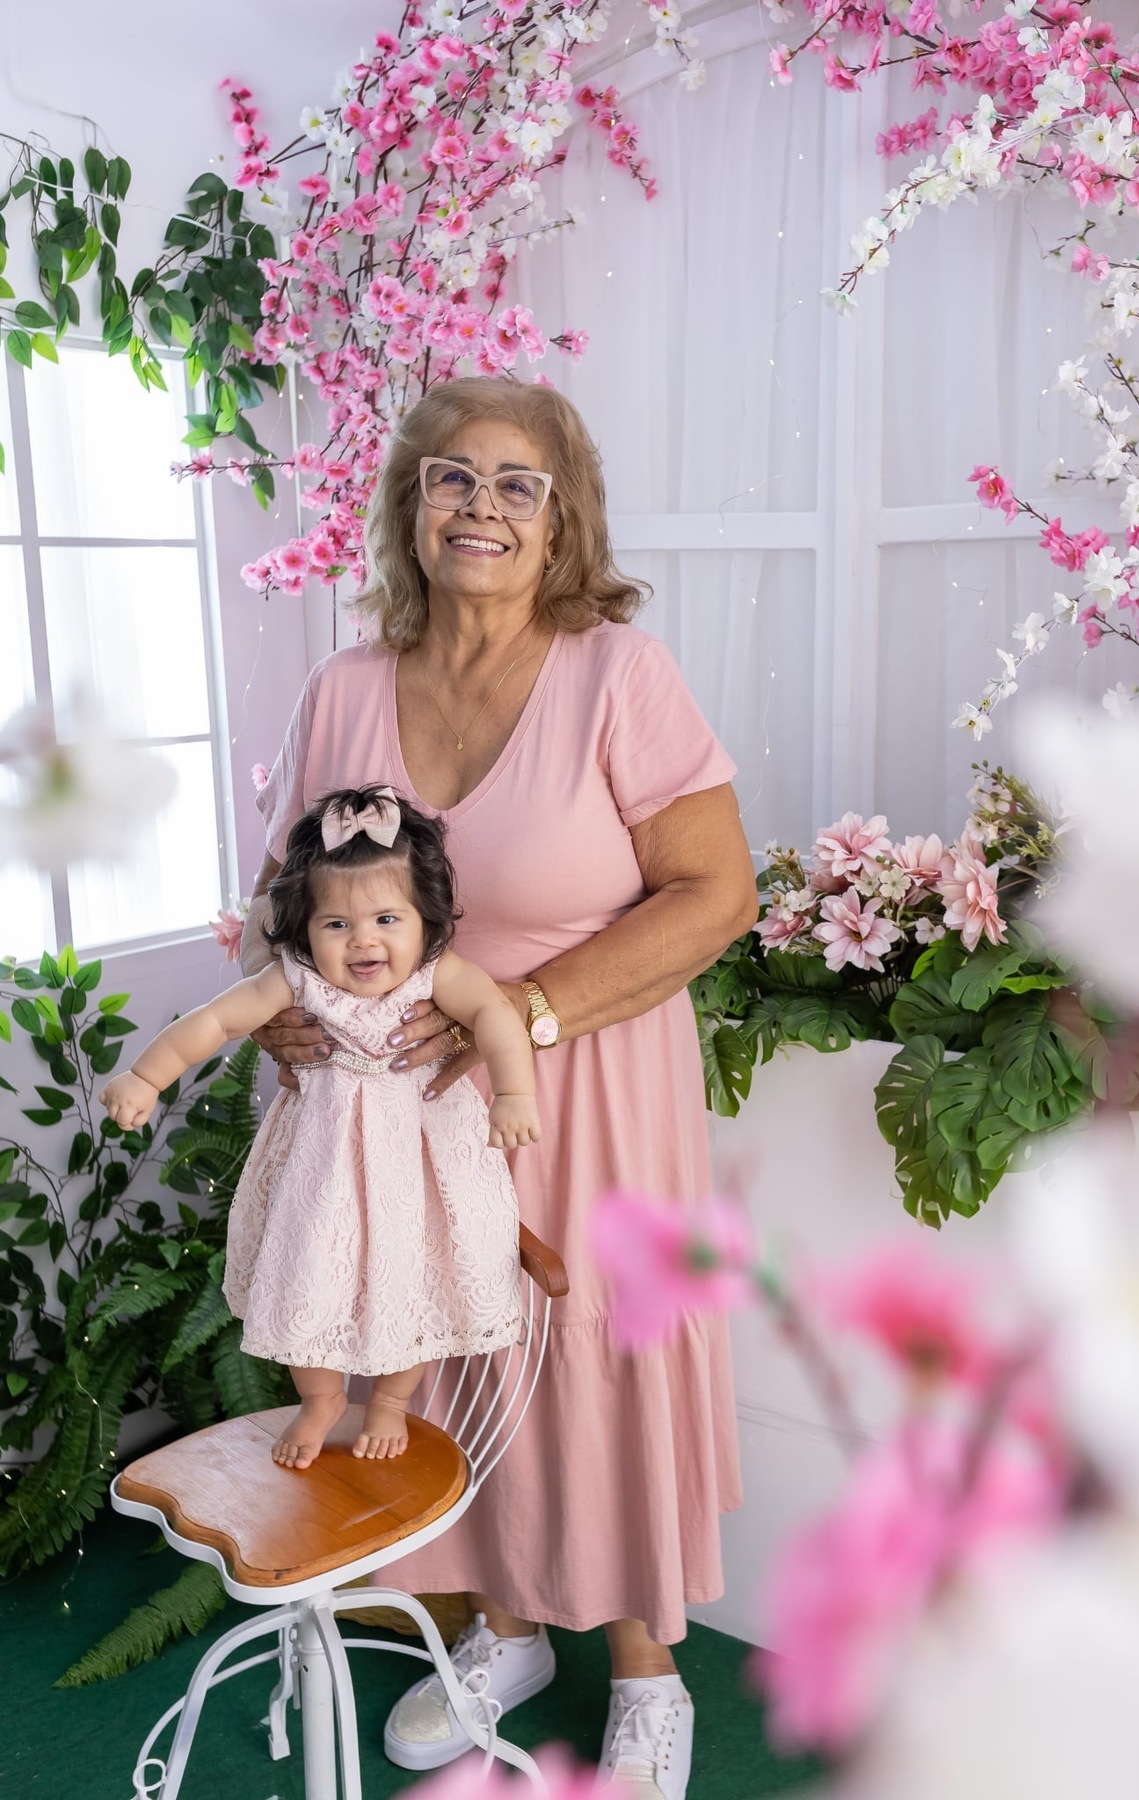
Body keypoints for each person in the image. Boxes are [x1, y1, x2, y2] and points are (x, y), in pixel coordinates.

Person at [241, 377, 759, 1800]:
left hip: (588, 1087)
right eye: (451, 478)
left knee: (597, 1354)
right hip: (393, 1119)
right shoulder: (343, 688)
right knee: (440, 1351)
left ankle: (647, 1673)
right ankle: (506, 1634)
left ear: (560, 520)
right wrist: (279, 1012)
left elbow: (716, 894)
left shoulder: (618, 675)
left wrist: (521, 1017)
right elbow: (280, 896)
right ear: (411, 508)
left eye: (517, 484)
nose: (481, 506)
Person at [101, 782, 538, 1470]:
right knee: (306, 1275)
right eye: (336, 924)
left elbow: (494, 1015)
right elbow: (215, 1021)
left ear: (425, 919)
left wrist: (513, 1091)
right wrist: (144, 1076)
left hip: (418, 1167)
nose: (363, 940)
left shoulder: (435, 975)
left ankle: (391, 1399)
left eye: (387, 918)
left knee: (418, 1275)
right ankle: (322, 1397)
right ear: (304, 928)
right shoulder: (297, 980)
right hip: (322, 1168)